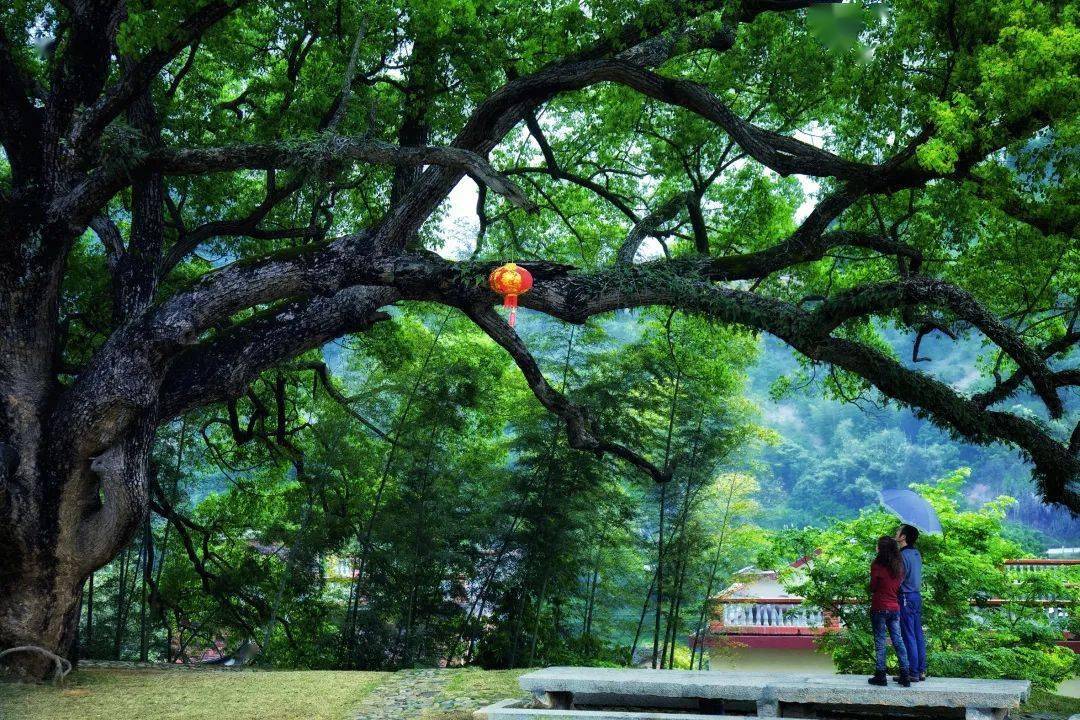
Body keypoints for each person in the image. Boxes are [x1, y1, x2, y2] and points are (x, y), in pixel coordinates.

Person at [868, 535, 911, 687]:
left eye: (877, 545)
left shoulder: (877, 565)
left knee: (880, 641)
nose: (876, 547)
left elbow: (873, 588)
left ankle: (881, 676)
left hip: (879, 607)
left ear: (882, 549)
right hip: (894, 608)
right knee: (898, 640)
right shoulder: (899, 566)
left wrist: (871, 575)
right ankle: (905, 675)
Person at [896, 523, 927, 682]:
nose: (896, 533)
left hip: (906, 597)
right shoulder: (916, 553)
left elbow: (899, 578)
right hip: (916, 596)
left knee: (908, 635)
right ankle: (921, 670)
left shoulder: (902, 556)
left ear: (903, 537)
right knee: (917, 633)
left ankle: (912, 672)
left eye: (899, 531)